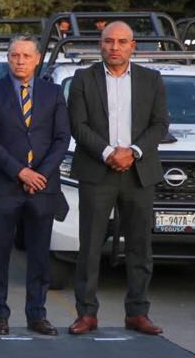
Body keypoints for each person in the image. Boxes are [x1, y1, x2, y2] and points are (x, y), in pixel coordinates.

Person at [66, 21, 169, 335]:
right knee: (91, 245)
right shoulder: (83, 78)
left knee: (140, 245)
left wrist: (133, 151)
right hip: (98, 170)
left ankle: (137, 312)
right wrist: (110, 151)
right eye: (109, 41)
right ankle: (86, 313)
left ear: (133, 46)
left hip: (139, 172)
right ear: (100, 44)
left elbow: (159, 124)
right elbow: (78, 125)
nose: (115, 47)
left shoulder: (152, 79)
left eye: (122, 42)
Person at [0, 36, 71, 336]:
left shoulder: (54, 93)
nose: (20, 60)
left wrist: (39, 174)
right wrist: (20, 172)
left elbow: (61, 139)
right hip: (5, 186)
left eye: (25, 55)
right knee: (0, 254)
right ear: (7, 58)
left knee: (39, 255)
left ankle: (37, 314)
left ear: (37, 58)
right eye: (14, 55)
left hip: (42, 187)